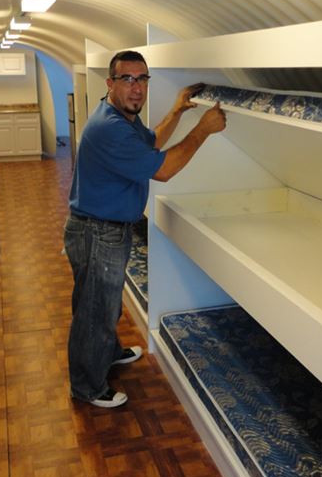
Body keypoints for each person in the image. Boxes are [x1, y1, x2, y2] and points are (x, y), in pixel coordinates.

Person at [64, 50, 226, 408]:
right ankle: (87, 386)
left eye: (143, 79)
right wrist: (203, 129)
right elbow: (163, 169)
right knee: (95, 312)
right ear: (110, 84)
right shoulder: (110, 129)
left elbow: (150, 143)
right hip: (97, 232)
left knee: (101, 306)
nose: (137, 89)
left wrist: (179, 111)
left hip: (105, 228)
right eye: (128, 79)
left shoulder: (121, 116)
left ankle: (105, 353)